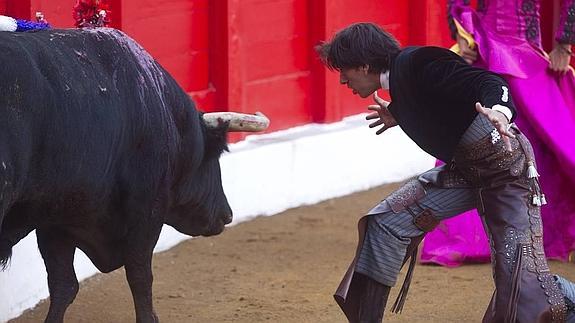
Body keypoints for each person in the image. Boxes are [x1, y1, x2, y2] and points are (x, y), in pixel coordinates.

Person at [316, 22, 575, 322]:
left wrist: (499, 111)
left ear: (362, 65)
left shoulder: (419, 62)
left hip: (506, 175)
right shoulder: (403, 83)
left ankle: (567, 299)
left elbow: (491, 83)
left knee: (520, 286)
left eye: (343, 72)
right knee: (385, 224)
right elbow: (437, 105)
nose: (342, 82)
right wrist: (400, 114)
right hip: (465, 173)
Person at [422, 0, 575, 267]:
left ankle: (535, 234)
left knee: (541, 141)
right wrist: (462, 32)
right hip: (484, 47)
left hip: (525, 52)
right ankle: (472, 237)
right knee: (471, 134)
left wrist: (564, 44)